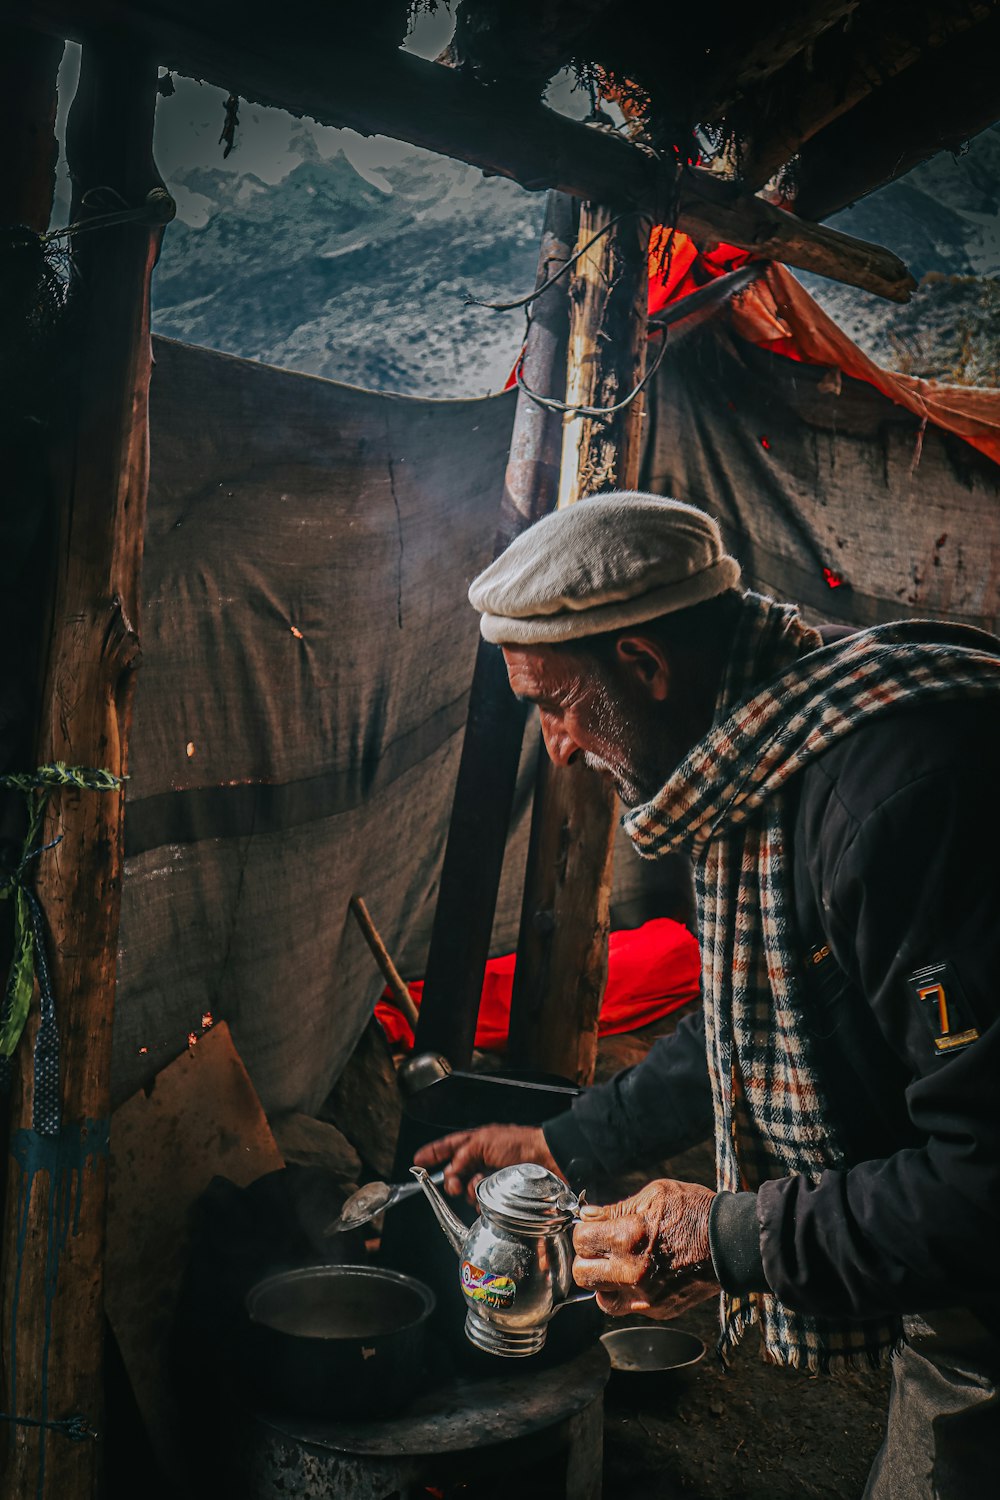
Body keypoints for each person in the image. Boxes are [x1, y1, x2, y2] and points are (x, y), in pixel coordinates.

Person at [414, 491, 1000, 1498]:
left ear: (642, 664)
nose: (555, 746)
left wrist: (727, 1234)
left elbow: (987, 1180)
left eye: (556, 704)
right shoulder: (772, 746)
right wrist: (565, 1146)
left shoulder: (892, 805)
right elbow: (755, 1017)